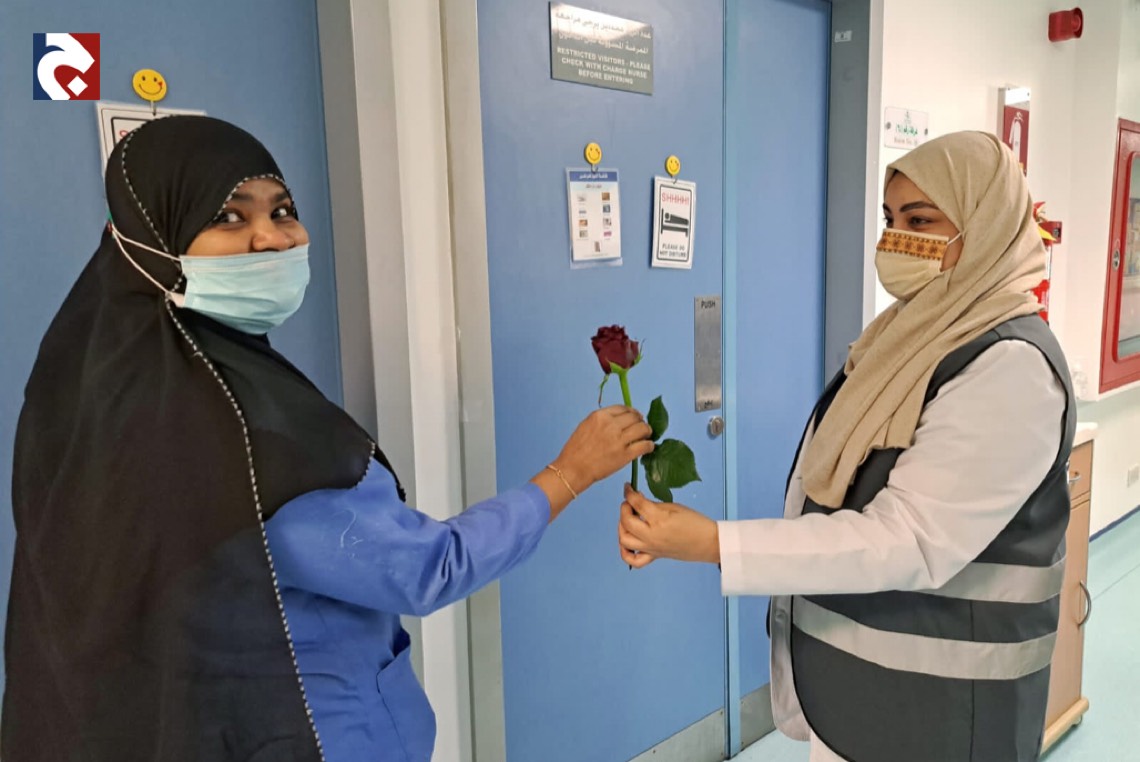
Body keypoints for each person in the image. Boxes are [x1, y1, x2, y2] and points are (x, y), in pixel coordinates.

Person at [3, 115, 654, 762]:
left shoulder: (81, 393)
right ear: (150, 239)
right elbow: (427, 569)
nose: (271, 239)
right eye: (228, 217)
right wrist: (570, 473)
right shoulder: (251, 442)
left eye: (282, 211)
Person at [617, 131, 1073, 762]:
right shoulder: (906, 335)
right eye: (890, 219)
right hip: (867, 703)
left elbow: (908, 538)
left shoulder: (1009, 367)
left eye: (921, 220)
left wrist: (714, 544)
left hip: (945, 719)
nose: (897, 240)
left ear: (985, 224)